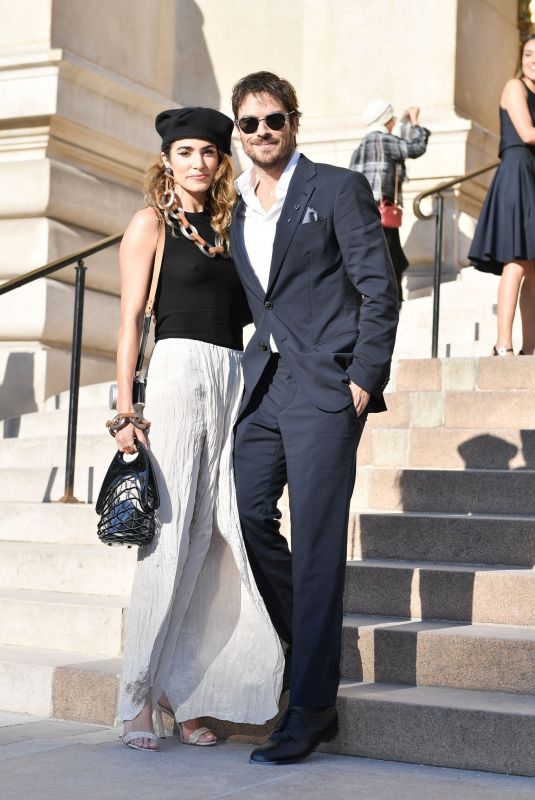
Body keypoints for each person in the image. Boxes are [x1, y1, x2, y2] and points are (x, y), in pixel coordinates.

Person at [230, 71, 399, 765]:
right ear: (236, 131)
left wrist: (362, 378)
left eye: (273, 121)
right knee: (245, 515)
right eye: (249, 124)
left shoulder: (335, 188)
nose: (262, 133)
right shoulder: (234, 206)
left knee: (319, 546)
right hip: (264, 386)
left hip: (326, 390)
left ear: (292, 123)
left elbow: (377, 286)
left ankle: (310, 707)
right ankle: (310, 648)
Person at [113, 106, 283, 751]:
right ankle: (134, 700)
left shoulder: (232, 227)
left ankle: (185, 691)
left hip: (233, 373)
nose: (198, 163)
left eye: (209, 152)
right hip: (178, 372)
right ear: (166, 159)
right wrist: (126, 408)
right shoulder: (149, 224)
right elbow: (130, 320)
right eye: (185, 152)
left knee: (218, 535)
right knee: (170, 534)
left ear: (221, 160)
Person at [468, 34, 535, 356]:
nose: (532, 59)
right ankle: (503, 342)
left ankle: (530, 347)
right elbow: (527, 133)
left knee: (534, 265)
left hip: (532, 176)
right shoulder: (514, 87)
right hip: (518, 173)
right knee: (517, 261)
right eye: (527, 53)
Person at [350, 97, 430, 303]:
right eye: (392, 116)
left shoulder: (361, 147)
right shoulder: (384, 141)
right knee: (392, 261)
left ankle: (383, 302)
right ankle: (390, 304)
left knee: (389, 259)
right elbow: (416, 148)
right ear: (385, 119)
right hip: (381, 212)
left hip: (360, 213)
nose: (394, 120)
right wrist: (415, 121)